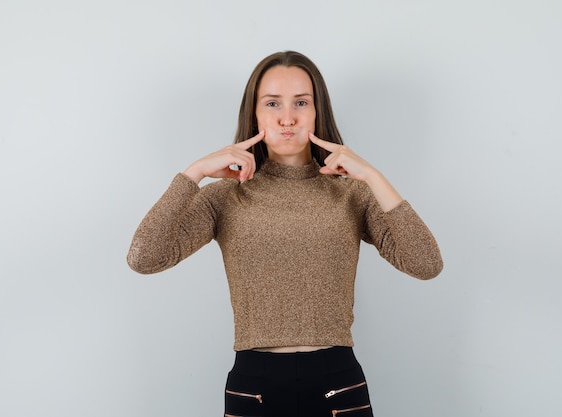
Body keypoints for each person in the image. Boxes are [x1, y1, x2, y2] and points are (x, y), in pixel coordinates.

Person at [127, 50, 443, 417]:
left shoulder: (351, 194)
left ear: (317, 111)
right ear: (255, 113)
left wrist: (372, 175)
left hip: (337, 384)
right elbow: (144, 257)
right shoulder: (227, 196)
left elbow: (426, 263)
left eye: (301, 103)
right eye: (273, 103)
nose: (287, 117)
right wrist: (194, 173)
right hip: (254, 386)